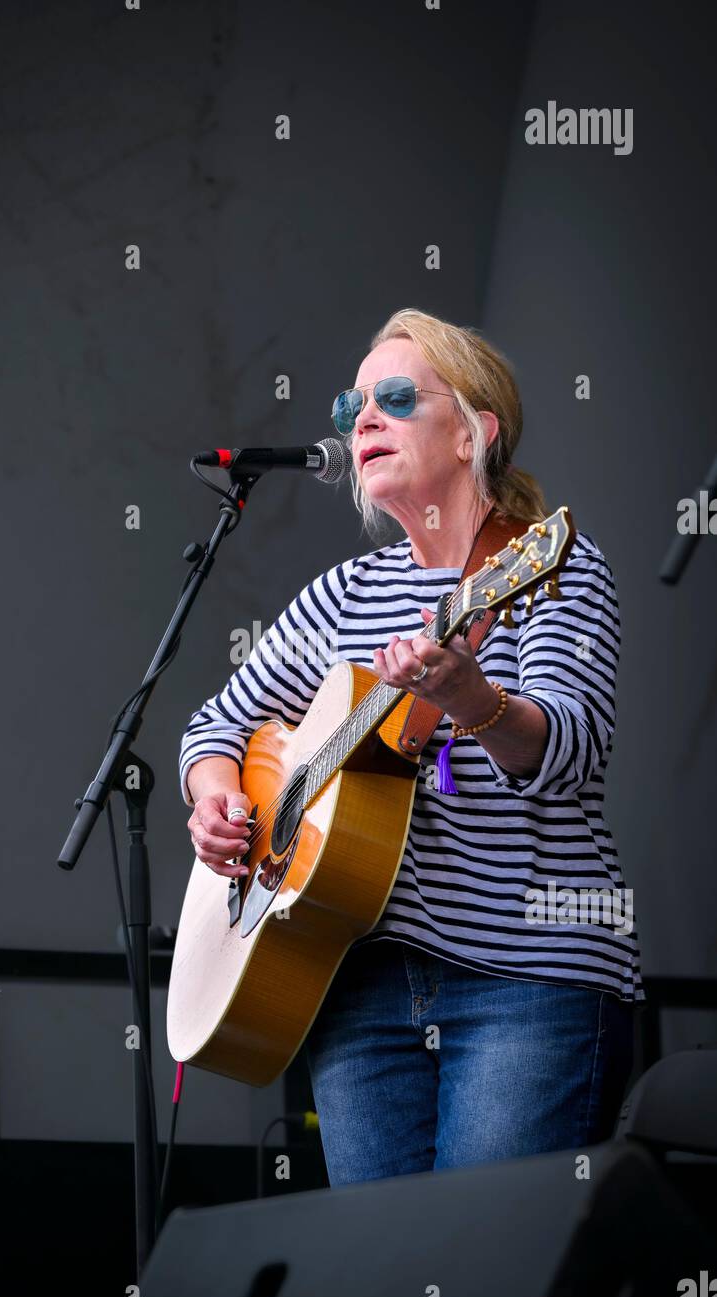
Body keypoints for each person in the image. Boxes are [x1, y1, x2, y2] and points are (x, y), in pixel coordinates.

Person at [179, 307, 644, 1186]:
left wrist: (471, 698)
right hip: (357, 988)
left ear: (476, 432)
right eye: (352, 402)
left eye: (395, 396)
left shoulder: (550, 563)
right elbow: (215, 728)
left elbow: (573, 749)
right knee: (384, 1272)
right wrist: (216, 798)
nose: (362, 418)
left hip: (527, 981)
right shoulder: (344, 593)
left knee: (486, 1268)